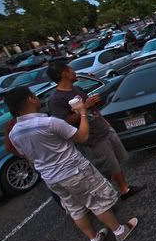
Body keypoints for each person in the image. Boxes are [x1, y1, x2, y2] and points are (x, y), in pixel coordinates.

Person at [6, 86, 140, 241]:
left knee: (75, 209)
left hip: (51, 178)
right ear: (30, 99)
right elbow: (82, 136)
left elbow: (28, 156)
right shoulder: (49, 123)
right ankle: (119, 231)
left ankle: (94, 239)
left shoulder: (14, 133)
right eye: (34, 95)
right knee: (96, 201)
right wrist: (82, 112)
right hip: (74, 171)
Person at [47, 62, 145, 200]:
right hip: (93, 138)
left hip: (103, 129)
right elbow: (64, 123)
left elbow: (92, 109)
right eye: (71, 70)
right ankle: (117, 192)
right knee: (108, 167)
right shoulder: (56, 99)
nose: (74, 72)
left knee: (115, 162)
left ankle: (116, 191)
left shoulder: (76, 89)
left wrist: (104, 122)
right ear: (64, 73)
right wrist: (85, 106)